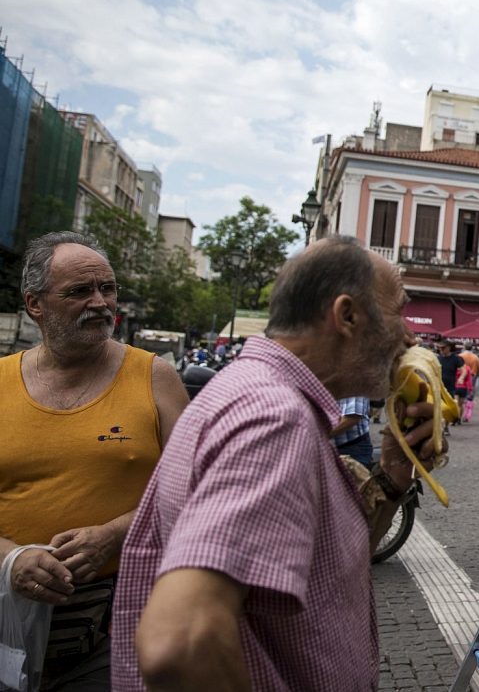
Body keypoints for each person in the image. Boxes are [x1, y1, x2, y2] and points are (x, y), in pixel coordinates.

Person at [109, 236, 443, 691]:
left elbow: (324, 567)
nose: (408, 336)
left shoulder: (254, 392)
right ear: (347, 316)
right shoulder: (275, 419)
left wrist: (391, 472)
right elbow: (181, 641)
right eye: (398, 311)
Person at [0, 231, 190, 690]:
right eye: (80, 291)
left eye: (107, 288)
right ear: (35, 303)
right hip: (6, 610)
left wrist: (113, 535)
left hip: (115, 616)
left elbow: (196, 489)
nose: (101, 302)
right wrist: (10, 559)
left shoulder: (155, 377)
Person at [332, 396, 375, 466]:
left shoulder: (352, 386)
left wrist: (321, 435)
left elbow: (351, 418)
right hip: (332, 447)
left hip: (352, 448)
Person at [434, 339, 464, 424]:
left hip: (450, 387)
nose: (441, 350)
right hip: (438, 386)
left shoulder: (455, 358)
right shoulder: (438, 358)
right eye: (439, 348)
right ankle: (440, 425)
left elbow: (463, 369)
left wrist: (461, 377)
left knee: (447, 407)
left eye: (443, 348)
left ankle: (446, 426)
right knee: (438, 406)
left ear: (449, 348)